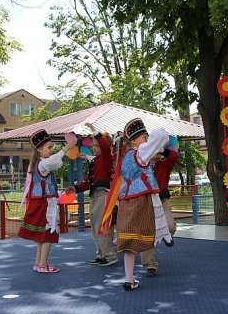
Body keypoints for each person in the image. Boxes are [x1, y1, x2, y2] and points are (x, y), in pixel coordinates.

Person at [113, 118, 171, 290]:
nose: (147, 141)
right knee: (147, 229)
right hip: (141, 199)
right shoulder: (139, 153)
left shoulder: (125, 158)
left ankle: (129, 280)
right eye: (144, 137)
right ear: (134, 141)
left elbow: (121, 185)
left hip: (126, 201)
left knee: (130, 244)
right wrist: (153, 140)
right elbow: (161, 135)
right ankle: (165, 235)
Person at [18, 129, 77, 273]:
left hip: (42, 201)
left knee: (41, 236)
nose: (52, 150)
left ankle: (38, 263)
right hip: (44, 203)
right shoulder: (43, 164)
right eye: (49, 147)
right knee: (47, 235)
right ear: (39, 150)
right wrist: (66, 148)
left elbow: (55, 164)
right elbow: (54, 161)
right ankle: (43, 265)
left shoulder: (40, 164)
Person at [74, 123, 118, 266]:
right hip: (95, 195)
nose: (93, 147)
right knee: (94, 225)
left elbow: (105, 147)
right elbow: (89, 181)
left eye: (96, 145)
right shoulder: (95, 161)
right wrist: (76, 188)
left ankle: (109, 254)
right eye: (93, 145)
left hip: (103, 195)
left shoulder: (107, 157)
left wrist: (95, 131)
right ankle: (101, 253)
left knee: (102, 225)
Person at [140, 142, 178, 277]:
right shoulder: (141, 168)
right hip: (147, 202)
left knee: (169, 226)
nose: (154, 156)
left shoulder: (164, 166)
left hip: (162, 199)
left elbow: (173, 157)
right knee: (147, 232)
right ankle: (150, 264)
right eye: (152, 152)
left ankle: (167, 234)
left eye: (157, 153)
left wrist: (162, 150)